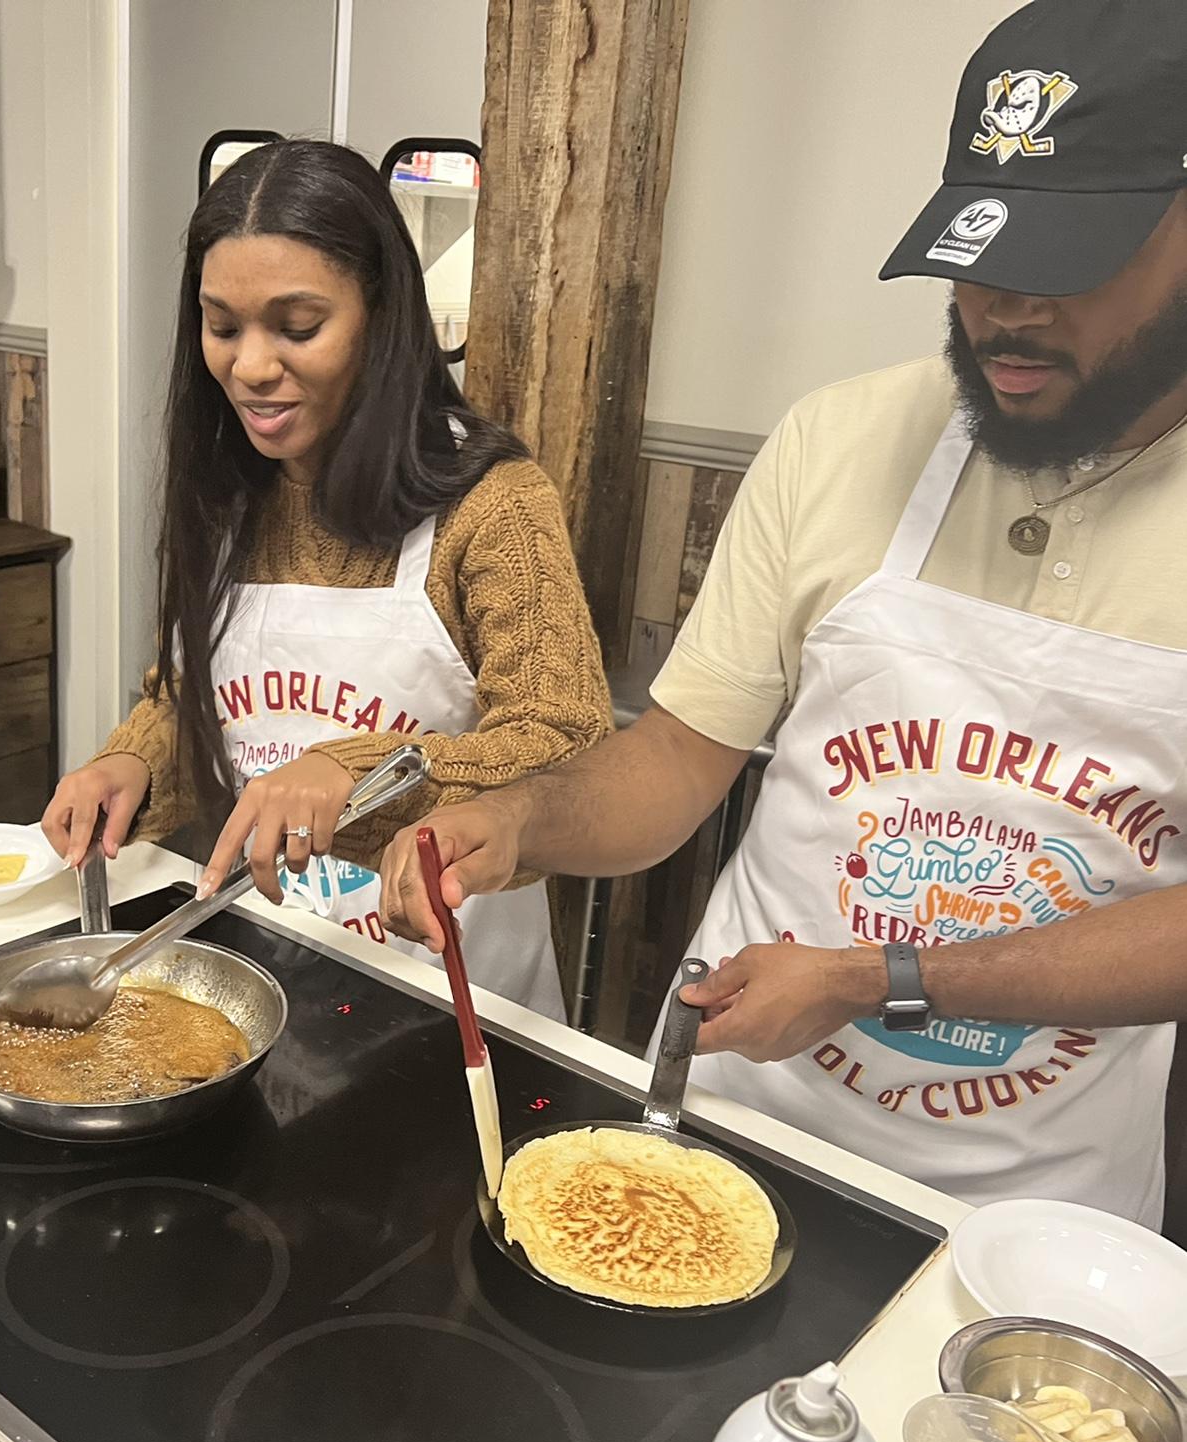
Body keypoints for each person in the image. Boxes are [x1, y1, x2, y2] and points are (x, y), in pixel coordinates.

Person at [378, 0, 1187, 1226]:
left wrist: (882, 978)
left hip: (1037, 1222)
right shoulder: (841, 439)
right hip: (739, 1126)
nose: (1008, 311)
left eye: (1070, 263)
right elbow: (673, 764)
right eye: (977, 254)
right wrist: (520, 818)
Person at [42, 139, 611, 1020]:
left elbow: (567, 746)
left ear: (380, 319)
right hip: (267, 970)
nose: (251, 367)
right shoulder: (230, 491)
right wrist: (136, 754)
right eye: (221, 326)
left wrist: (366, 769)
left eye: (297, 327)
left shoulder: (490, 502)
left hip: (446, 994)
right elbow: (197, 691)